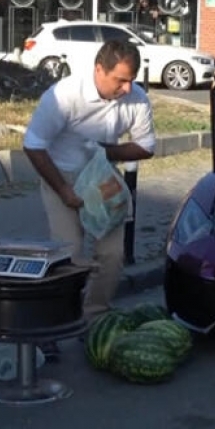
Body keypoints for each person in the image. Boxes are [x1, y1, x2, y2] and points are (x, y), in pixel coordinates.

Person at [23, 39, 156, 352]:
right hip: (62, 176)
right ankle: (53, 325)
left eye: (131, 80)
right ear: (99, 69)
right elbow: (33, 145)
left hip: (102, 178)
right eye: (120, 80)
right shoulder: (64, 95)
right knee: (68, 254)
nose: (127, 88)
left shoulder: (136, 98)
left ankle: (94, 319)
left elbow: (146, 146)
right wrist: (63, 190)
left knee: (112, 255)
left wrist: (105, 152)